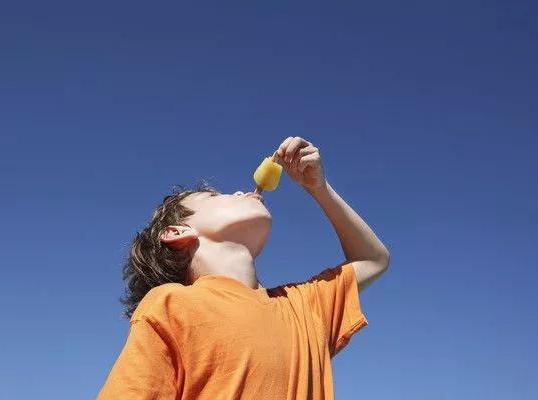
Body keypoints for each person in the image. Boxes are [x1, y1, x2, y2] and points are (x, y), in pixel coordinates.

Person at [97, 136, 391, 400]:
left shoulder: (305, 305)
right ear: (176, 232)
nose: (240, 191)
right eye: (214, 197)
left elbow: (373, 260)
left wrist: (319, 188)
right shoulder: (170, 305)